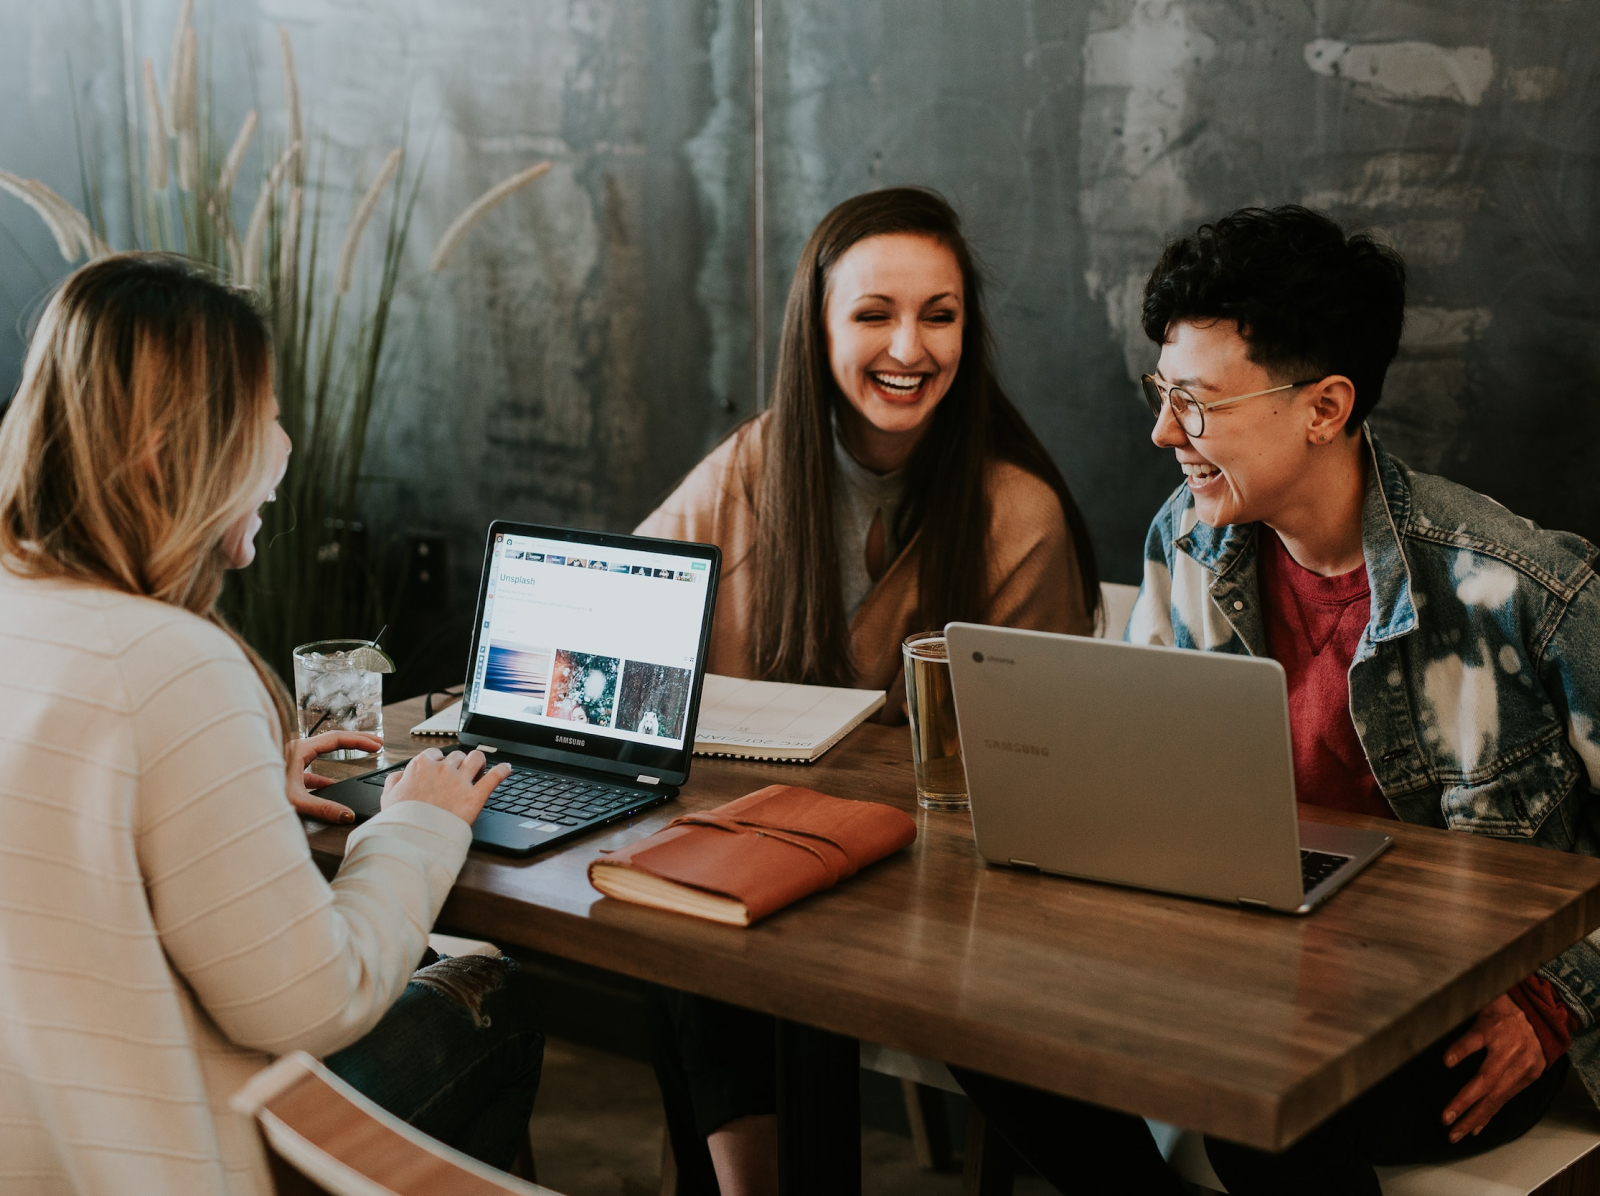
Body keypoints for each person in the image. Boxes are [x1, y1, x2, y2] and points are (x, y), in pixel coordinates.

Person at [951, 204, 1600, 1196]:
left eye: (1197, 403)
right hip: (1249, 971)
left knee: (1268, 1100)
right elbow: (1137, 788)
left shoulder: (1519, 588)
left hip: (1450, 1009)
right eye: (1160, 392)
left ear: (1325, 408)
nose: (1163, 431)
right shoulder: (1188, 540)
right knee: (975, 1012)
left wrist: (1557, 996)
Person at [0, 254, 542, 1196]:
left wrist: (241, 785)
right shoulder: (170, 662)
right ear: (180, 448)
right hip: (148, 1162)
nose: (284, 441)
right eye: (265, 412)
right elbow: (306, 1003)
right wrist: (417, 826)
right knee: (495, 994)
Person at [636, 186, 1101, 1195]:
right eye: (874, 313)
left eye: (939, 315)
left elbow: (1029, 768)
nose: (910, 346)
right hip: (761, 860)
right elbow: (632, 609)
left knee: (705, 929)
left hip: (934, 892)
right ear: (819, 327)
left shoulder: (1014, 512)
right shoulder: (757, 463)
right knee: (682, 920)